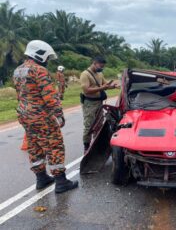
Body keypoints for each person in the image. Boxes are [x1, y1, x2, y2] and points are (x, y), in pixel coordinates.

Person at [13, 40, 78, 193]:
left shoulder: (17, 70)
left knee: (34, 145)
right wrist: (59, 115)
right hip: (40, 115)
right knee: (54, 145)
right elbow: (49, 96)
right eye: (47, 57)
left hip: (24, 114)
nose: (47, 61)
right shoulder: (39, 70)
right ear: (39, 54)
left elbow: (19, 94)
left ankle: (41, 178)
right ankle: (61, 182)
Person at [80, 56, 118, 153]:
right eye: (100, 66)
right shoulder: (85, 74)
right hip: (90, 103)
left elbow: (105, 85)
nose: (101, 68)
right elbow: (86, 90)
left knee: (99, 125)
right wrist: (102, 88)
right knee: (89, 125)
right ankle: (86, 146)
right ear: (94, 63)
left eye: (103, 66)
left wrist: (112, 87)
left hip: (99, 102)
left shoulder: (100, 74)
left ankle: (96, 145)